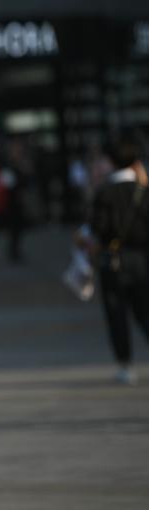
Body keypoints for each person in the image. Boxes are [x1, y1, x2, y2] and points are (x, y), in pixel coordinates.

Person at [84, 135, 149, 385]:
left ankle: (125, 364)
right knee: (144, 311)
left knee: (116, 313)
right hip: (143, 259)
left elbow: (97, 229)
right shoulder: (143, 191)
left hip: (113, 260)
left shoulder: (105, 192)